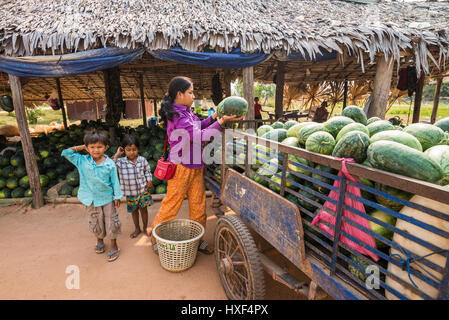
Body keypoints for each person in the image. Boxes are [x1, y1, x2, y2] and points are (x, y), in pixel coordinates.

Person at [150, 76, 243, 255]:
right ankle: (156, 238)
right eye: (190, 92)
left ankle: (198, 240)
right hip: (181, 167)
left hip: (195, 165)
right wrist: (221, 123)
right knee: (172, 204)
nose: (194, 96)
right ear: (179, 94)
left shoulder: (186, 111)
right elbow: (198, 136)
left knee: (198, 204)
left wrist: (215, 117)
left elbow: (199, 126)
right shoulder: (177, 115)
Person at [62, 130, 123, 262]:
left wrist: (117, 196)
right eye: (92, 147)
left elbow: (115, 181)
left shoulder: (109, 164)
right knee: (95, 221)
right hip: (90, 199)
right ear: (87, 148)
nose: (96, 150)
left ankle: (113, 244)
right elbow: (65, 153)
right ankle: (99, 240)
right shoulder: (81, 161)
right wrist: (81, 147)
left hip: (107, 199)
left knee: (112, 221)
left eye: (99, 147)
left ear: (106, 147)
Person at [113, 135, 153, 238]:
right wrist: (117, 154)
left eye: (134, 149)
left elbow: (147, 171)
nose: (131, 152)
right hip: (130, 193)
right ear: (124, 150)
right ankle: (137, 228)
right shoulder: (120, 162)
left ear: (138, 149)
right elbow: (110, 165)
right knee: (134, 211)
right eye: (128, 150)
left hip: (143, 190)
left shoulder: (142, 160)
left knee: (144, 209)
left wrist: (149, 180)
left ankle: (145, 227)